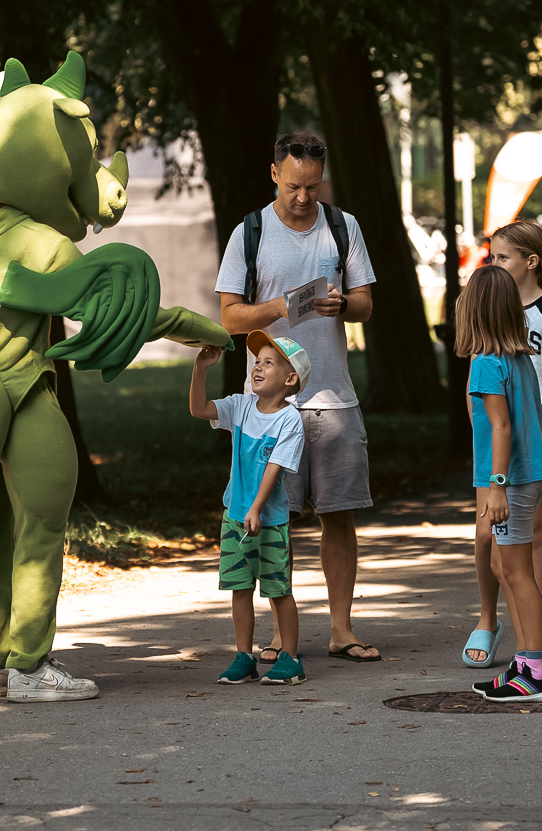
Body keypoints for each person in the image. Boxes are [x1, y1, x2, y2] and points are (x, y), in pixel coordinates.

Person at [215, 133, 380, 664]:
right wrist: (279, 309)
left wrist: (342, 308)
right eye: (293, 186)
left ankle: (341, 629)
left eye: (311, 186)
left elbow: (366, 304)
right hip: (268, 408)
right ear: (273, 174)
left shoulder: (342, 226)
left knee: (339, 514)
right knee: (270, 518)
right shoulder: (251, 232)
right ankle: (278, 634)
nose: (303, 197)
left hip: (333, 397)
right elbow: (230, 317)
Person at [461, 220, 542, 668]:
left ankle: (533, 651)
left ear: (531, 262)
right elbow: (490, 407)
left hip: (527, 451)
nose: (495, 264)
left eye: (502, 257)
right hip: (499, 453)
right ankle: (495, 623)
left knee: (526, 546)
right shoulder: (497, 331)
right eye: (491, 257)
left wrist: (531, 433)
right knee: (489, 540)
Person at [190, 332, 308, 685]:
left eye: (269, 362)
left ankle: (290, 658)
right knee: (240, 588)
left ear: (290, 380)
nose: (258, 366)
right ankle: (244, 656)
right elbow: (199, 409)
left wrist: (256, 508)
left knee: (278, 590)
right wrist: (200, 369)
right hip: (235, 516)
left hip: (269, 521)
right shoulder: (241, 406)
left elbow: (274, 467)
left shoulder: (290, 421)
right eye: (257, 361)